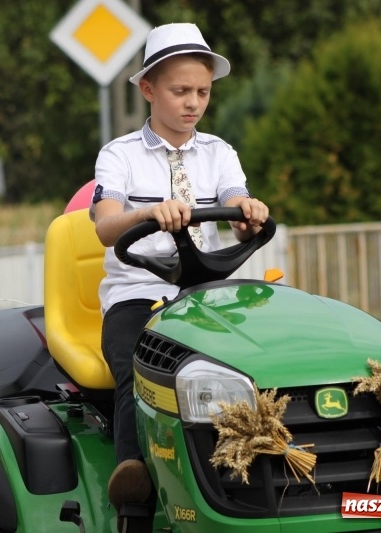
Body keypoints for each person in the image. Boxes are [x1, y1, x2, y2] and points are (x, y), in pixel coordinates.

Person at [90, 23, 269, 529]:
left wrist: (246, 210)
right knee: (135, 361)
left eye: (203, 92)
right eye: (180, 91)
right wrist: (146, 215)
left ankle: (253, 475)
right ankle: (134, 485)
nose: (193, 103)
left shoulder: (219, 152)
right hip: (138, 294)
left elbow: (235, 202)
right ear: (148, 89)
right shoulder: (120, 155)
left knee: (247, 364)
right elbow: (105, 224)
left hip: (203, 294)